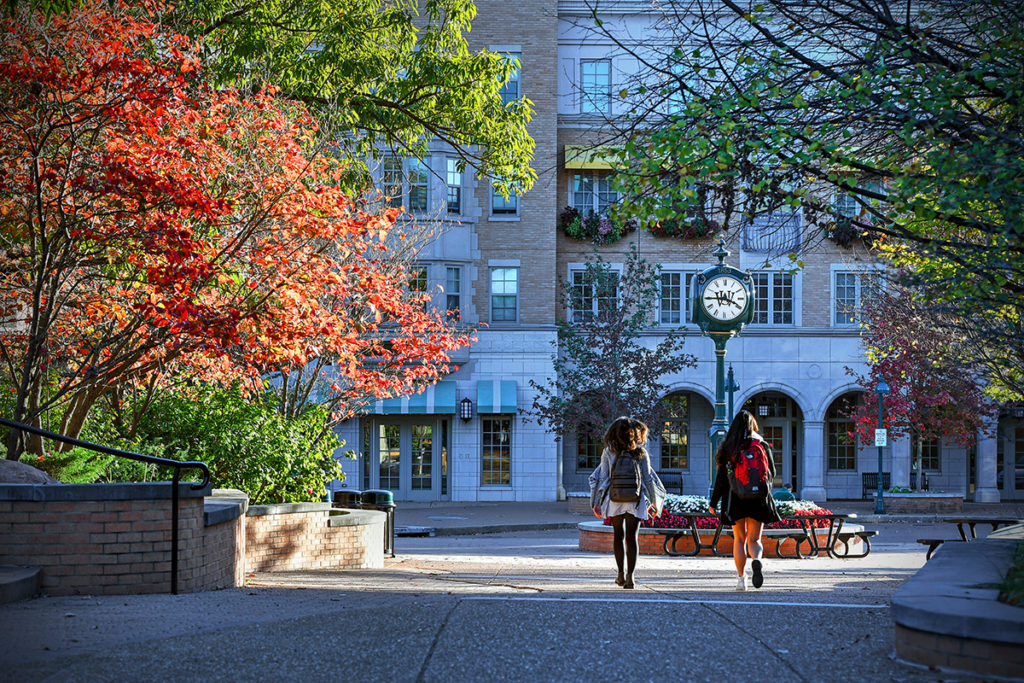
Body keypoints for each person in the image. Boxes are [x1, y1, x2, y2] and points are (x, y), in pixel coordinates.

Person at [589, 417, 666, 589]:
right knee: (632, 538)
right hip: (635, 500)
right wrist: (654, 502)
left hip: (614, 500)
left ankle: (620, 574)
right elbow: (648, 479)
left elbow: (603, 478)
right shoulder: (641, 453)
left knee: (618, 536)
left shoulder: (609, 451)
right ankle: (631, 577)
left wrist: (596, 502)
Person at [709, 410, 781, 591]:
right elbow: (772, 472)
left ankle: (741, 580)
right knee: (754, 539)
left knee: (739, 539)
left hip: (736, 498)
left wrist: (713, 502)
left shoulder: (728, 447)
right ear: (753, 426)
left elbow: (721, 479)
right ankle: (756, 560)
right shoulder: (761, 445)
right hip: (757, 498)